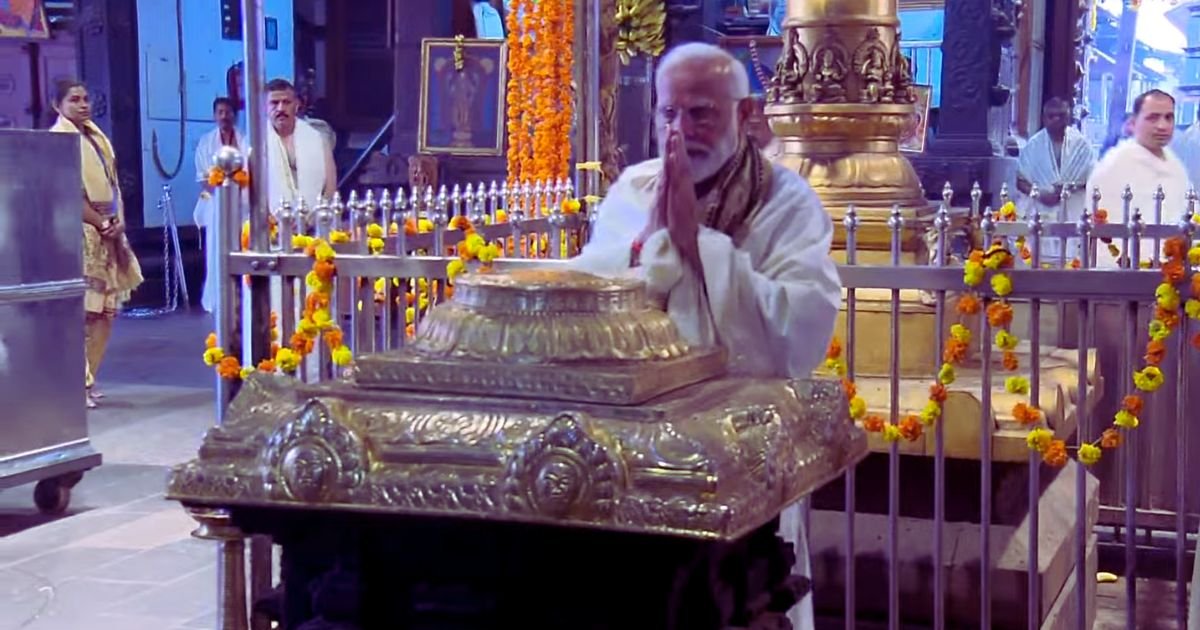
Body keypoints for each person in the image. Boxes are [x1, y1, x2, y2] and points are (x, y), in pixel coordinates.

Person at [572, 42, 841, 629]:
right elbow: (596, 300)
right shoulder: (634, 191)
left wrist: (700, 247)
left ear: (746, 115)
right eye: (669, 113)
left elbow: (803, 326)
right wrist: (647, 242)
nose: (682, 129)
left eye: (702, 113)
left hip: (743, 449)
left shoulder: (787, 203)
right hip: (635, 449)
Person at [49, 79, 143, 409]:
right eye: (74, 100)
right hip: (81, 232)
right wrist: (102, 222)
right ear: (56, 105)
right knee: (84, 312)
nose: (83, 104)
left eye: (86, 98)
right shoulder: (58, 141)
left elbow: (113, 184)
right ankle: (76, 383)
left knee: (107, 311)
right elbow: (68, 192)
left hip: (109, 231)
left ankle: (88, 379)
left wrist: (120, 219)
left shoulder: (96, 137)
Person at [1087, 89, 1189, 268]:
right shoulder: (1115, 164)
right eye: (1153, 117)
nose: (1162, 125)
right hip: (1124, 273)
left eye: (1169, 117)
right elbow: (1104, 232)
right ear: (1133, 123)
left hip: (1172, 273)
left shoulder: (1175, 165)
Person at [1015, 97, 1096, 262]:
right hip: (1040, 209)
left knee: (1072, 259)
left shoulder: (1081, 145)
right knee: (1038, 258)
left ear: (1068, 117)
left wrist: (1070, 187)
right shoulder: (1033, 145)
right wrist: (1039, 194)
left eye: (1061, 115)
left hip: (1072, 209)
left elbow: (1093, 179)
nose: (1056, 120)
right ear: (1044, 118)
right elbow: (1021, 181)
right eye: (1051, 116)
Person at [193, 96, 248, 313]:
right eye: (220, 112)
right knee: (217, 248)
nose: (224, 116)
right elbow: (203, 178)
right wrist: (221, 188)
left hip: (242, 203)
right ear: (215, 115)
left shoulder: (244, 140)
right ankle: (217, 297)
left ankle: (244, 296)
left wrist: (238, 188)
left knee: (243, 246)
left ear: (234, 115)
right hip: (217, 203)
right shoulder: (206, 142)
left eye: (228, 112)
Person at [265, 78, 336, 208]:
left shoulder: (317, 138)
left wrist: (314, 216)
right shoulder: (256, 142)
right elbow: (248, 190)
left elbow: (330, 185)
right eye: (274, 103)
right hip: (270, 222)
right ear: (264, 106)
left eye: (286, 102)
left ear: (296, 104)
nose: (280, 108)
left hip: (314, 220)